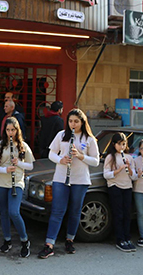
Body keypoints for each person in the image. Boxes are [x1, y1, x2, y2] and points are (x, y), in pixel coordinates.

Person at [37, 108, 99, 259]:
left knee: (75, 211)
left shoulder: (89, 138)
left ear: (82, 122)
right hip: (61, 177)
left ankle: (70, 239)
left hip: (80, 180)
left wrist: (81, 156)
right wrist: (61, 160)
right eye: (70, 121)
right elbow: (51, 153)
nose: (73, 124)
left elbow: (96, 161)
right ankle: (49, 244)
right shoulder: (62, 135)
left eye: (76, 121)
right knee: (57, 211)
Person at [0, 117, 34, 257]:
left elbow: (30, 165)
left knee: (13, 212)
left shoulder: (23, 146)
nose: (10, 133)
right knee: (4, 212)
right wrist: (5, 170)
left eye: (13, 130)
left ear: (17, 130)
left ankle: (24, 240)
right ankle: (7, 240)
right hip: (1, 181)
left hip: (17, 182)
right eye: (8, 130)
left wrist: (18, 164)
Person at [103, 132, 137, 252]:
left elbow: (134, 177)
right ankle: (119, 239)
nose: (121, 147)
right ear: (114, 144)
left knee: (127, 214)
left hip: (127, 187)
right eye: (119, 144)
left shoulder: (129, 157)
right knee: (118, 214)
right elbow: (106, 175)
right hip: (115, 186)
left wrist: (129, 170)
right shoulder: (110, 157)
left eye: (124, 144)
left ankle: (127, 237)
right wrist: (119, 170)